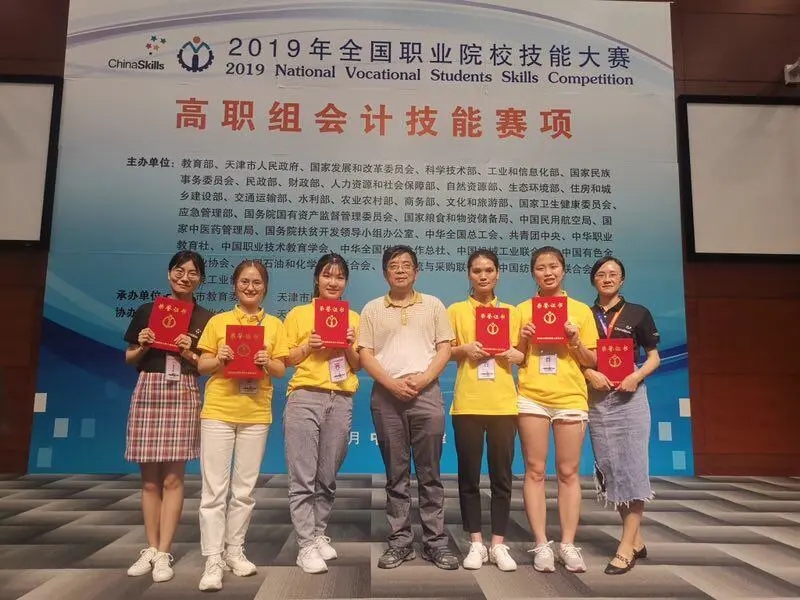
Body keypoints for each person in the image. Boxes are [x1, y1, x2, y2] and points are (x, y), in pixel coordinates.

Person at [358, 245, 459, 570]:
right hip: (386, 396)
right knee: (395, 474)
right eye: (393, 265)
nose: (400, 270)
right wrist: (391, 384)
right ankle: (400, 542)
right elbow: (365, 353)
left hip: (426, 394)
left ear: (417, 271)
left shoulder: (433, 305)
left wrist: (425, 378)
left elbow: (445, 348)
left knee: (430, 474)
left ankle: (435, 543)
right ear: (384, 272)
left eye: (406, 265)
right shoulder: (372, 309)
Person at [194, 259, 288, 592]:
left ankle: (234, 551)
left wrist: (267, 361)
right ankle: (213, 558)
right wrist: (218, 358)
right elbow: (201, 365)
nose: (251, 287)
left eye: (257, 282)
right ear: (234, 285)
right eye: (245, 281)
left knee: (244, 491)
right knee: (214, 491)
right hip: (219, 411)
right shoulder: (218, 321)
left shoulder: (274, 324)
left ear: (265, 287)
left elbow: (281, 369)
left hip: (255, 413)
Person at [123, 250, 213, 583]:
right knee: (149, 480)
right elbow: (130, 358)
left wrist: (188, 350)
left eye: (192, 272)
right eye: (179, 270)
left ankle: (164, 552)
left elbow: (206, 365)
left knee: (174, 479)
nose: (184, 277)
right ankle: (150, 547)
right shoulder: (148, 310)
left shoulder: (206, 318)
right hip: (149, 389)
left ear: (200, 279)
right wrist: (144, 344)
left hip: (184, 390)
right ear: (169, 273)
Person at [515, 246, 598, 573]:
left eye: (553, 266)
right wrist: (524, 338)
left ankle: (567, 544)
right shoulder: (523, 310)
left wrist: (575, 340)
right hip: (532, 396)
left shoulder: (580, 311)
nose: (547, 272)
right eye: (540, 267)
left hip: (570, 397)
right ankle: (541, 544)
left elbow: (592, 360)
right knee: (534, 471)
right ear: (533, 273)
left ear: (563, 270)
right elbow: (517, 357)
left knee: (568, 472)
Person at [582, 257, 660, 575]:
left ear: (622, 280)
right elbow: (577, 357)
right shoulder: (584, 315)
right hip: (598, 397)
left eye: (613, 274)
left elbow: (654, 357)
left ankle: (625, 547)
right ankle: (636, 539)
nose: (607, 278)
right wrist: (589, 373)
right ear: (593, 280)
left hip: (630, 396)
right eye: (601, 274)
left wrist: (636, 376)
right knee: (612, 468)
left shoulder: (638, 313)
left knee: (633, 468)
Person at [283, 253, 361, 574]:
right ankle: (305, 546)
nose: (333, 282)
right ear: (317, 279)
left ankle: (318, 533)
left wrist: (348, 345)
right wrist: (308, 346)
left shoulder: (353, 317)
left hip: (340, 398)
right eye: (327, 275)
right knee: (303, 476)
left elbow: (357, 364)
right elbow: (285, 359)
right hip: (305, 396)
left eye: (339, 277)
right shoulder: (299, 314)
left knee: (327, 476)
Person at [447, 249, 523, 572]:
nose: (483, 276)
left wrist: (516, 355)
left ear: (498, 274)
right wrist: (463, 349)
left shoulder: (512, 312)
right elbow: (443, 351)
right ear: (469, 274)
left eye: (489, 270)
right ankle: (476, 542)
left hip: (504, 404)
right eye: (477, 270)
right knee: (469, 476)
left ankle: (499, 544)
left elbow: (523, 353)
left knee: (501, 477)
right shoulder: (455, 311)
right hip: (467, 403)